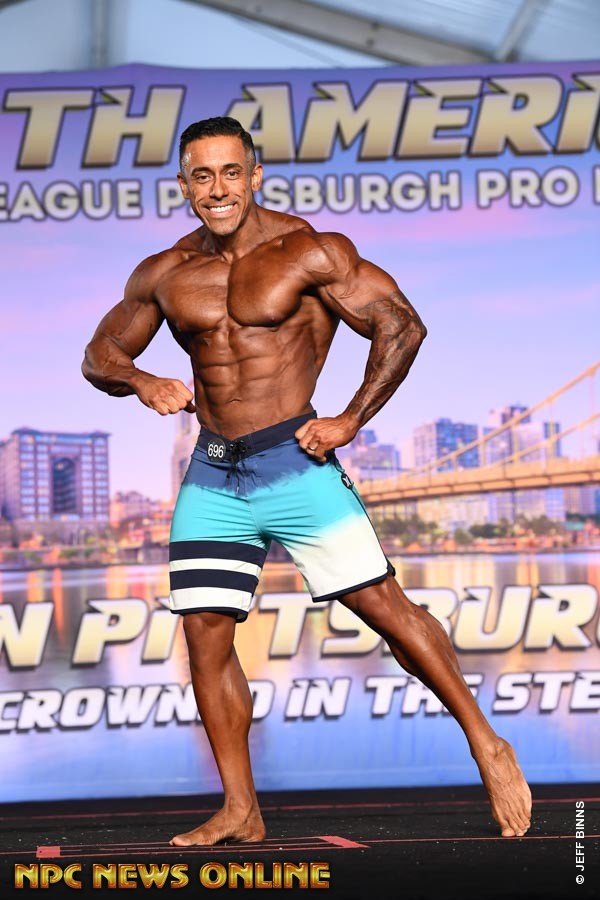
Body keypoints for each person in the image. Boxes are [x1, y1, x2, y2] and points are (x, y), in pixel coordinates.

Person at [82, 116, 532, 845]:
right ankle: (240, 808)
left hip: (296, 460)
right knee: (204, 637)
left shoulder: (311, 250)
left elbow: (401, 325)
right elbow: (99, 353)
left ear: (255, 176)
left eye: (231, 172)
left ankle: (487, 742)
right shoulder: (164, 272)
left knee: (388, 611)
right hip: (214, 472)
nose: (218, 188)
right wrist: (140, 380)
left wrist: (351, 418)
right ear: (185, 186)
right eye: (202, 176)